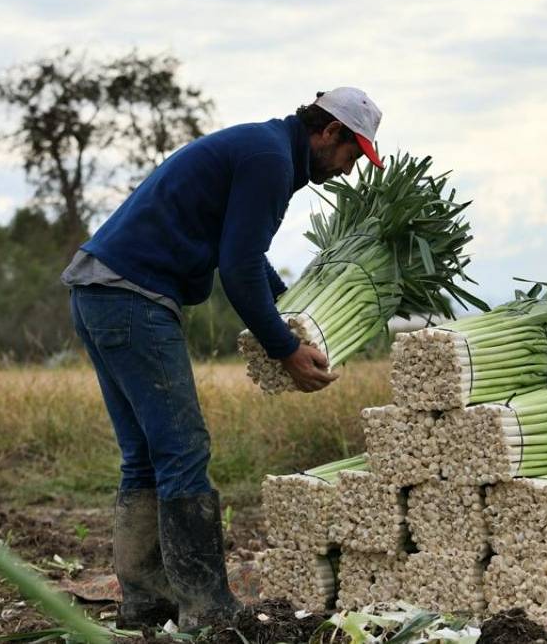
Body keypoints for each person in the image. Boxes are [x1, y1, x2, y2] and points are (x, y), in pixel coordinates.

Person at [62, 88, 384, 629]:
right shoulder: (270, 161)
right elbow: (237, 267)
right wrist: (284, 349)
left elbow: (246, 257)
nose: (349, 170)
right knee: (183, 449)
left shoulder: (262, 147)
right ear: (329, 132)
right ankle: (207, 608)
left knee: (145, 454)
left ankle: (144, 602)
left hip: (99, 291)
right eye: (352, 155)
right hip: (133, 298)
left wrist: (288, 308)